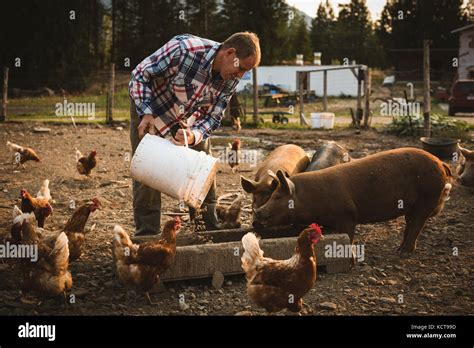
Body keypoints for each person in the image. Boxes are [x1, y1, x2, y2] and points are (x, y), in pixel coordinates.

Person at [129, 32, 261, 235]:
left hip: (188, 120)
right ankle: (148, 237)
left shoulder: (230, 78)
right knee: (147, 169)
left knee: (202, 170)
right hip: (152, 109)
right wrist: (145, 113)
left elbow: (214, 116)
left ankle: (207, 230)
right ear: (230, 53)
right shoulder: (185, 50)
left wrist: (193, 135)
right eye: (241, 68)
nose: (241, 76)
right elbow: (140, 75)